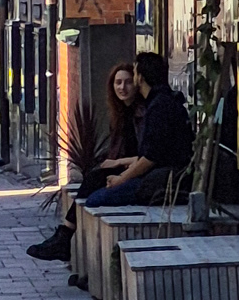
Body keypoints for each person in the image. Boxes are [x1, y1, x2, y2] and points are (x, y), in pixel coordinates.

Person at [28, 61, 145, 261]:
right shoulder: (120, 114)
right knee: (90, 186)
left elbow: (147, 155)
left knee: (92, 186)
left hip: (137, 174)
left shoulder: (140, 114)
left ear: (136, 84)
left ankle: (64, 237)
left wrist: (117, 164)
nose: (122, 88)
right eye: (118, 83)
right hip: (122, 171)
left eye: (127, 82)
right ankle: (68, 242)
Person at [81, 50, 193, 210]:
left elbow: (149, 158)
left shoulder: (159, 107)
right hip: (162, 174)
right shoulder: (161, 102)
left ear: (140, 77)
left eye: (133, 74)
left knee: (95, 200)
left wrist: (121, 179)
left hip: (163, 179)